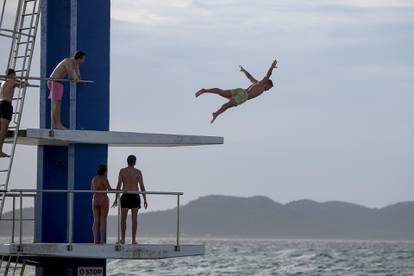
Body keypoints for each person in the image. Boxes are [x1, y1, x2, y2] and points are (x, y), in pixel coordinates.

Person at [195, 59, 278, 123]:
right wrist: (271, 67)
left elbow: (250, 77)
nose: (268, 90)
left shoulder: (256, 83)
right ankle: (216, 114)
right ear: (267, 84)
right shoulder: (262, 84)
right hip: (243, 96)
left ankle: (205, 90)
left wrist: (244, 71)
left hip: (241, 91)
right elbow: (268, 75)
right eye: (269, 88)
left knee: (221, 92)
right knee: (227, 105)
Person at [113, 155, 148, 244]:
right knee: (134, 219)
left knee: (123, 219)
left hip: (126, 195)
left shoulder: (122, 171)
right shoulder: (138, 172)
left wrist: (116, 198)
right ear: (135, 162)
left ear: (127, 161)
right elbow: (142, 186)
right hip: (135, 195)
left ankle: (123, 239)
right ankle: (133, 240)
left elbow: (118, 185)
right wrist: (145, 199)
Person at [48, 51, 86, 129]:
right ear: (79, 58)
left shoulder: (76, 64)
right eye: (83, 59)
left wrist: (79, 80)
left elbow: (77, 76)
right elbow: (72, 75)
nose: (84, 61)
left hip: (58, 83)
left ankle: (55, 124)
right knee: (57, 105)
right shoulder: (68, 61)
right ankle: (58, 124)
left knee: (56, 104)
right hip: (54, 82)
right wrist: (75, 78)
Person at [0, 69, 27, 157]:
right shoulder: (12, 81)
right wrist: (20, 80)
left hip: (1, 104)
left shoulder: (3, 82)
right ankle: (0, 150)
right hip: (6, 106)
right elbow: (24, 85)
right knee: (3, 130)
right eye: (15, 75)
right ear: (12, 74)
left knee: (1, 129)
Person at [91, 164, 112, 244]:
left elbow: (92, 190)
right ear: (105, 171)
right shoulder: (104, 178)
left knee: (96, 220)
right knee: (103, 220)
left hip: (95, 199)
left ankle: (95, 240)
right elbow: (109, 189)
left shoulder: (93, 179)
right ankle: (102, 240)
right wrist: (119, 190)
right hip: (103, 199)